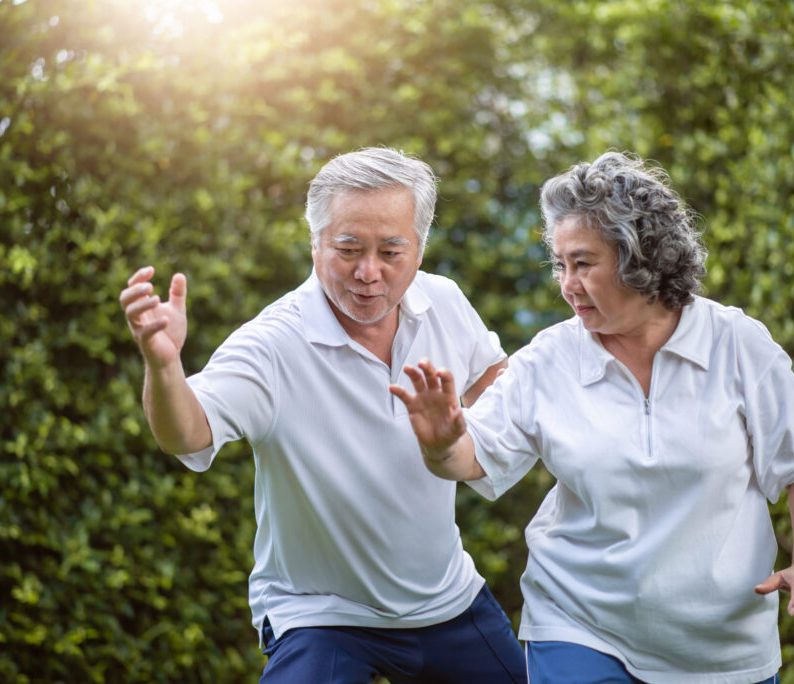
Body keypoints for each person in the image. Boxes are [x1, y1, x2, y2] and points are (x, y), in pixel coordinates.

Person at [390, 151, 794, 684]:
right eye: (560, 264)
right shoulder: (549, 358)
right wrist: (442, 442)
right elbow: (473, 456)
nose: (567, 284)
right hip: (579, 625)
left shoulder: (737, 345)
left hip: (720, 646)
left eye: (583, 263)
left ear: (640, 259)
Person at [119, 147, 527, 684]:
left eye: (391, 251)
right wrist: (164, 364)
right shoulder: (273, 344)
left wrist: (460, 428)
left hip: (445, 599)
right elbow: (186, 432)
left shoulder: (443, 302)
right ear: (314, 245)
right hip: (321, 614)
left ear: (420, 249)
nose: (368, 272)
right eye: (348, 248)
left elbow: (492, 375)